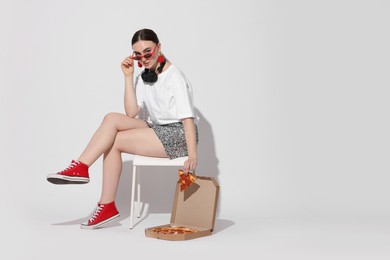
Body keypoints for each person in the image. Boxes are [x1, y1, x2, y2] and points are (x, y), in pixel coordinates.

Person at [46, 28, 199, 230]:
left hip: (178, 134)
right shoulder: (145, 76)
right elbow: (130, 113)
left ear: (159, 47)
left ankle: (105, 204)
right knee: (111, 119)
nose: (143, 58)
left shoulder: (174, 76)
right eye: (138, 54)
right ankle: (81, 167)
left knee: (114, 141)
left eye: (148, 52)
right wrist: (128, 77)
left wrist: (193, 155)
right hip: (156, 128)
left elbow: (187, 120)